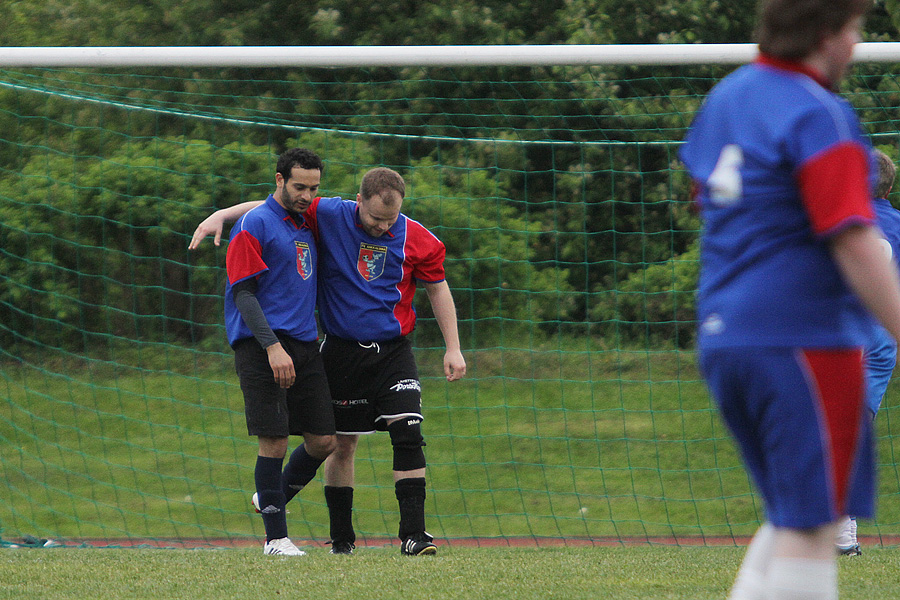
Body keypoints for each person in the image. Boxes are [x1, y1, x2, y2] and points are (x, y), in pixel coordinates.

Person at [679, 1, 900, 599]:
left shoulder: (728, 97)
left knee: (791, 515)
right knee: (814, 526)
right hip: (802, 338)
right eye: (854, 30)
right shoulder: (818, 112)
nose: (856, 44)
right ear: (826, 35)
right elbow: (856, 241)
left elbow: (706, 199)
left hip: (726, 338)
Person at [191, 165, 467, 556]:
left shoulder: (417, 238)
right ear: (358, 202)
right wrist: (223, 215)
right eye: (374, 218)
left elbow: (438, 290)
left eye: (390, 219)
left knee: (408, 432)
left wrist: (452, 347)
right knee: (340, 444)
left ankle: (414, 536)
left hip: (393, 351)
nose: (381, 226)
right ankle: (341, 540)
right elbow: (277, 206)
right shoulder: (330, 214)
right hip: (340, 350)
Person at [223, 147, 337, 556]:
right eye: (299, 186)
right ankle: (276, 539)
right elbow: (243, 294)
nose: (307, 195)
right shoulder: (254, 225)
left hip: (305, 345)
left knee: (325, 440)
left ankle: (267, 497)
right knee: (273, 440)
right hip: (261, 345)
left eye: (314, 188)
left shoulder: (308, 221)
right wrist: (271, 347)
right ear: (279, 180)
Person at [836, 149, 900, 556]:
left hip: (843, 329)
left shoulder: (843, 221)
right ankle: (840, 532)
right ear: (890, 187)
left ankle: (834, 532)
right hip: (881, 339)